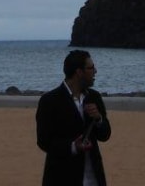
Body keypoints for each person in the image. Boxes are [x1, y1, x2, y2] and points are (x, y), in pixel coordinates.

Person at [36, 49, 112, 186]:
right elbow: (44, 141)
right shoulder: (50, 101)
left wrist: (99, 119)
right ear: (79, 72)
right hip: (62, 177)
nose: (95, 71)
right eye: (91, 68)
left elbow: (105, 135)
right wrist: (73, 146)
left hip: (94, 178)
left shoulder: (94, 97)